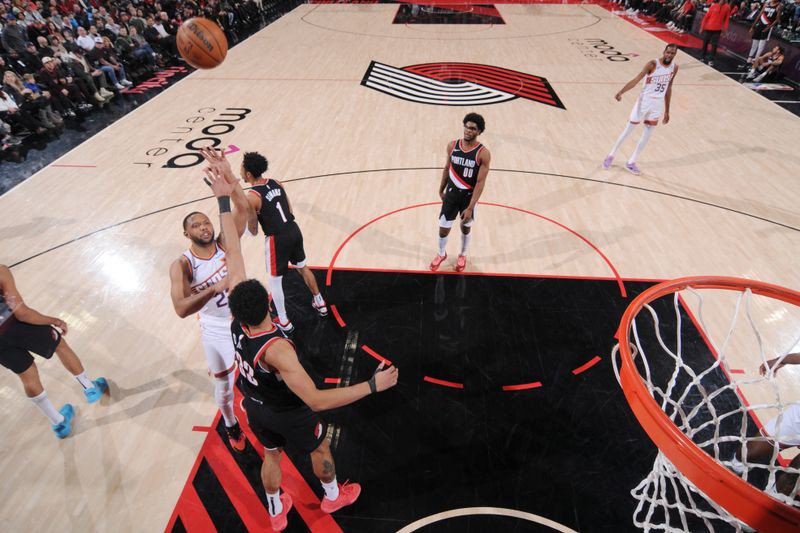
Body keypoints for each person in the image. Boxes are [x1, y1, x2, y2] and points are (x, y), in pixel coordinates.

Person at [202, 163, 399, 531]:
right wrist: (373, 386)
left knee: (272, 455)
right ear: (268, 306)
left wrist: (224, 201)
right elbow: (317, 401)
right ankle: (331, 495)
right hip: (287, 410)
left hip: (254, 406)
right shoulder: (277, 348)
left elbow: (233, 255)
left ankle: (276, 511)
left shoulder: (235, 320)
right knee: (320, 448)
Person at [168, 151, 254, 452]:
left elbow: (244, 212)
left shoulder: (224, 245)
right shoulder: (183, 265)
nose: (204, 227)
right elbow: (180, 309)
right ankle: (230, 424)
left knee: (258, 371)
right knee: (224, 386)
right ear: (186, 233)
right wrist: (213, 289)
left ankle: (255, 407)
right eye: (196, 225)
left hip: (242, 319)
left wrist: (230, 179)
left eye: (206, 223)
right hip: (215, 327)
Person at [202, 148, 328, 334]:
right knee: (303, 267)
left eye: (241, 169)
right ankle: (320, 302)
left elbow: (248, 215)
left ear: (248, 173)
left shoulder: (253, 196)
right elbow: (289, 209)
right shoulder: (277, 183)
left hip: (277, 238)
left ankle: (284, 321)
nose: (240, 171)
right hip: (293, 229)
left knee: (275, 282)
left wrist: (252, 231)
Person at [0, 265, 108, 439]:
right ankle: (90, 388)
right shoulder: (1, 271)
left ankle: (59, 423)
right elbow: (22, 313)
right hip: (16, 325)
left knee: (27, 377)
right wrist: (54, 321)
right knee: (60, 345)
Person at [729, 353, 800, 497]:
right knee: (747, 453)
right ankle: (732, 469)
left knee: (792, 476)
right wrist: (780, 360)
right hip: (797, 420)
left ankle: (772, 501)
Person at [603, 43, 679, 176]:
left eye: (672, 53)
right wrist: (622, 91)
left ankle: (631, 162)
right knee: (628, 131)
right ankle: (610, 155)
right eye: (668, 52)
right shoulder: (652, 64)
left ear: (675, 54)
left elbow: (669, 88)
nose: (669, 55)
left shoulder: (675, 67)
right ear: (664, 51)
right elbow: (636, 79)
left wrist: (667, 110)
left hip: (657, 104)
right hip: (644, 101)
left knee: (647, 135)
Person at [430, 112, 491, 273]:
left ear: (479, 132)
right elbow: (446, 168)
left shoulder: (483, 153)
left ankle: (462, 255)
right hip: (451, 193)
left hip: (469, 196)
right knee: (443, 226)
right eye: (466, 126)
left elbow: (480, 182)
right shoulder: (452, 146)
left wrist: (471, 207)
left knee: (465, 227)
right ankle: (441, 253)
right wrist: (441, 188)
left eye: (472, 128)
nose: (468, 130)